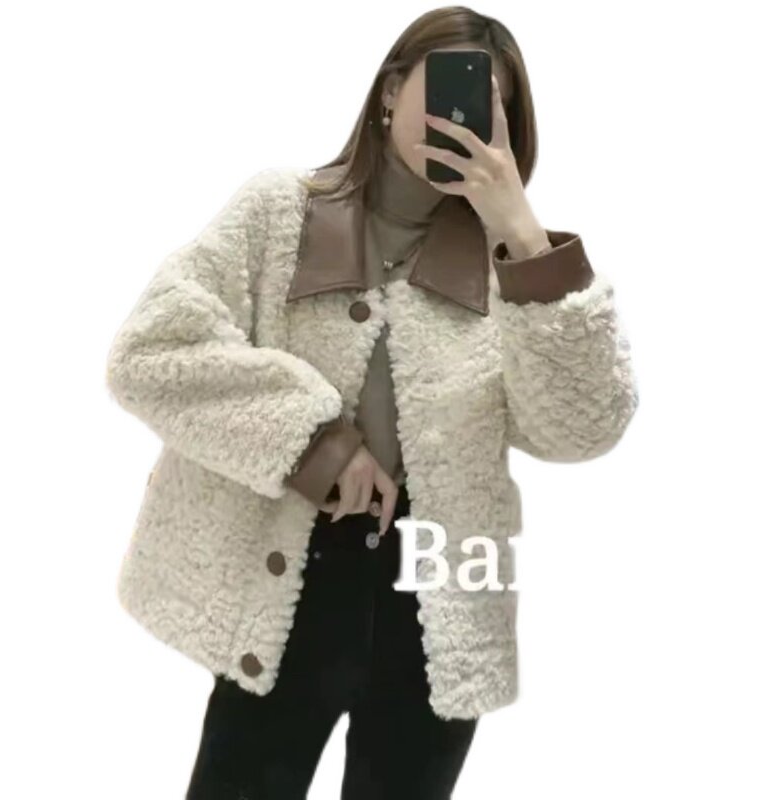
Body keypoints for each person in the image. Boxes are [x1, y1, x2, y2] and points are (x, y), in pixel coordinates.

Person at [105, 7, 639, 799]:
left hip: (438, 606)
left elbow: (583, 427)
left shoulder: (513, 272)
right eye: (449, 91)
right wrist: (314, 441)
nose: (465, 119)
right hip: (289, 580)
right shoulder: (280, 212)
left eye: (492, 107)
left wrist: (523, 235)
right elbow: (152, 351)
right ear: (390, 91)